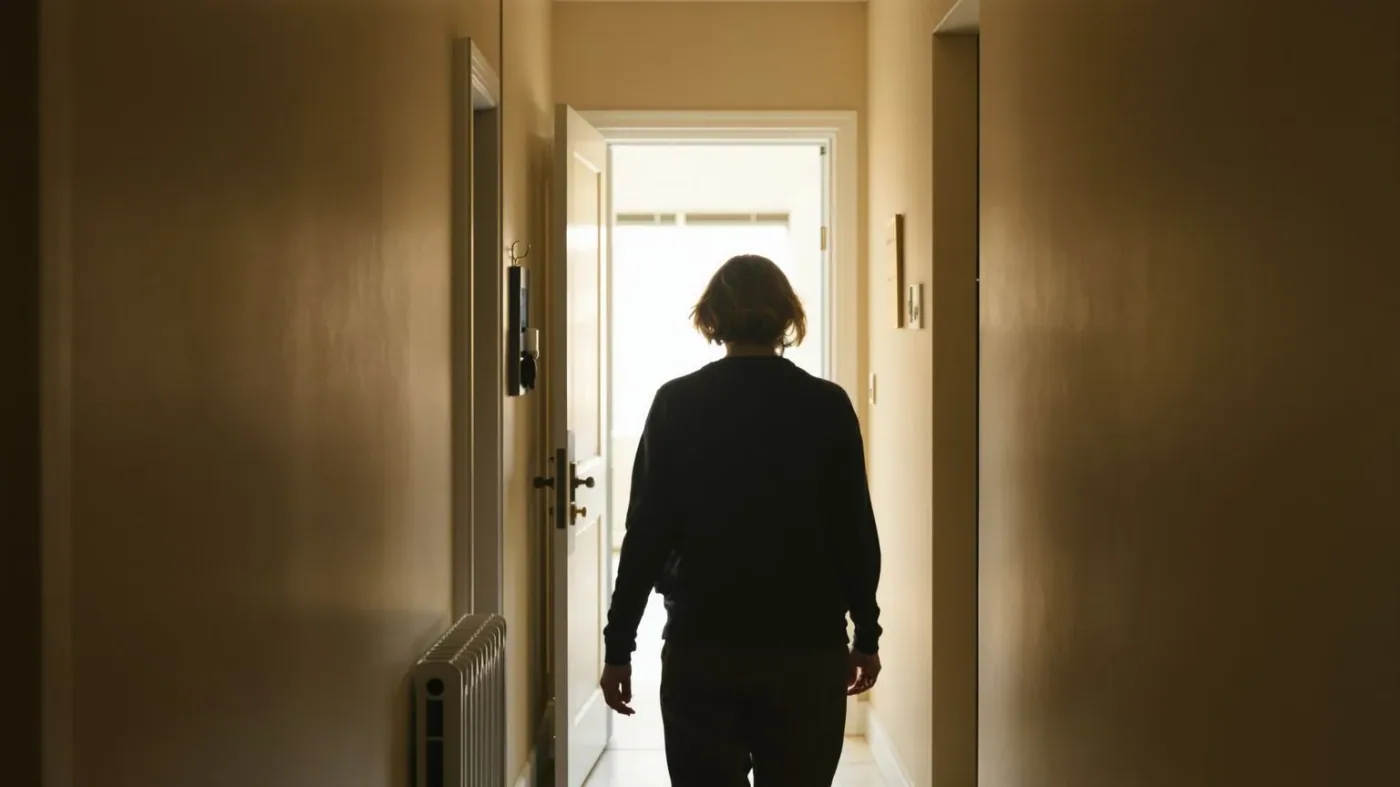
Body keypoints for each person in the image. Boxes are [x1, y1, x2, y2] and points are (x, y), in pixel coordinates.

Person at [598, 254, 883, 787]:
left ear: (712, 318)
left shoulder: (676, 404)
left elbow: (646, 538)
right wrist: (865, 633)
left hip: (704, 647)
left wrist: (620, 648)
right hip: (806, 648)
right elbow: (854, 532)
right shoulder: (826, 406)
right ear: (786, 318)